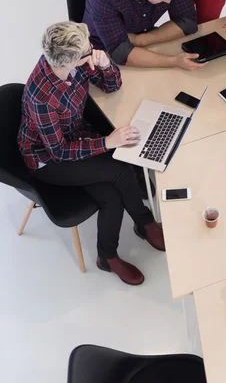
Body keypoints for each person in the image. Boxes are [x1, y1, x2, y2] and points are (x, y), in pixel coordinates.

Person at [18, 21, 165, 286]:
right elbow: (59, 151)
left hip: (74, 137)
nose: (93, 51)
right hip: (48, 160)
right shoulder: (42, 98)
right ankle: (144, 223)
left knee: (111, 197)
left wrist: (106, 65)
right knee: (120, 170)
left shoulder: (74, 64)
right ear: (71, 60)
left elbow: (111, 86)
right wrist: (107, 142)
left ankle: (107, 255)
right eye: (89, 51)